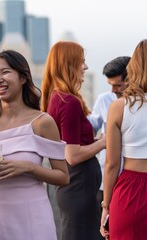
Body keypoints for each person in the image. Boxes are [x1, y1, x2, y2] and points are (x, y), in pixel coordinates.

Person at [0, 50, 69, 240]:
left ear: (23, 77)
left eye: (5, 72)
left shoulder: (42, 122)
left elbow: (63, 177)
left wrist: (28, 167)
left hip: (34, 215)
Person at [101, 38, 147, 239]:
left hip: (129, 192)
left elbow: (112, 164)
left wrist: (106, 206)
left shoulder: (119, 107)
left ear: (134, 67)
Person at [40, 41, 106, 240]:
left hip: (76, 187)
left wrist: (92, 140)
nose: (85, 67)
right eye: (81, 62)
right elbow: (72, 155)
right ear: (68, 64)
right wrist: (104, 142)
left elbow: (68, 141)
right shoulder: (68, 102)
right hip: (78, 186)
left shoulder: (56, 97)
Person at [87, 56, 130, 205]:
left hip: (133, 179)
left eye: (118, 85)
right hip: (106, 181)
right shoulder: (104, 99)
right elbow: (90, 127)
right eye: (110, 85)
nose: (113, 90)